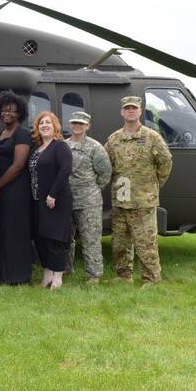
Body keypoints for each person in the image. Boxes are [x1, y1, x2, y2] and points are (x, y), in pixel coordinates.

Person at [105, 95, 173, 285]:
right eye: (127, 108)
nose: (130, 111)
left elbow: (166, 162)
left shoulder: (151, 137)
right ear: (122, 112)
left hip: (143, 201)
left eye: (134, 108)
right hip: (120, 200)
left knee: (146, 243)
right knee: (120, 243)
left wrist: (155, 184)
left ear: (140, 111)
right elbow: (105, 164)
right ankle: (123, 276)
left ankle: (151, 279)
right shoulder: (114, 139)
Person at [0, 90, 34, 285]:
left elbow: (17, 166)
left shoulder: (23, 134)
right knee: (2, 230)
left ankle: (18, 275)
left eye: (12, 110)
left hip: (15, 189)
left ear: (20, 113)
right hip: (0, 187)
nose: (6, 113)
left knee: (15, 231)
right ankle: (2, 272)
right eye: (3, 109)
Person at [65, 110, 112, 283]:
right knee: (65, 239)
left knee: (90, 238)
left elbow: (105, 174)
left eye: (81, 124)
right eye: (75, 123)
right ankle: (65, 270)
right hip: (67, 200)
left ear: (88, 126)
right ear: (70, 124)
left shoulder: (95, 147)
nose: (77, 126)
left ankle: (94, 275)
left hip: (89, 202)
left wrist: (91, 190)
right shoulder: (63, 146)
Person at [28, 110, 73, 289]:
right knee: (41, 238)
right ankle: (47, 275)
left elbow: (65, 171)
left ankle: (58, 277)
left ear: (55, 126)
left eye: (48, 122)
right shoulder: (36, 149)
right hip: (37, 200)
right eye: (41, 123)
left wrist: (53, 194)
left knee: (55, 238)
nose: (44, 126)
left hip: (55, 200)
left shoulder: (60, 146)